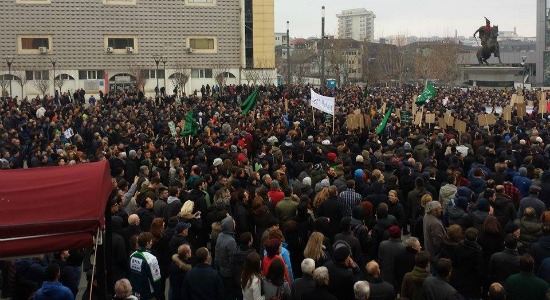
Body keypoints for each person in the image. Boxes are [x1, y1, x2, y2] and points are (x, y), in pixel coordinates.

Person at [128, 232, 163, 300]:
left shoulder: (132, 255)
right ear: (147, 243)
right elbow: (156, 280)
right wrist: (159, 296)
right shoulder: (151, 258)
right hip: (148, 294)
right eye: (151, 241)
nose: (152, 243)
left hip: (135, 292)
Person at [215, 215, 238, 300]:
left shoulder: (220, 235)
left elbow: (217, 253)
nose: (235, 224)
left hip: (221, 269)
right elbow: (233, 259)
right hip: (229, 273)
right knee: (230, 293)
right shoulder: (230, 241)